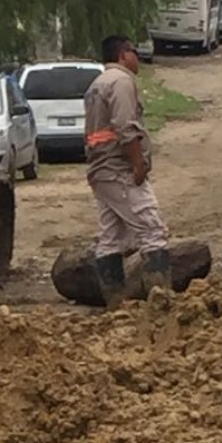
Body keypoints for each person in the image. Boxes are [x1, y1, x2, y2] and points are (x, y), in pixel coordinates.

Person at [83, 35, 170, 309]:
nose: (138, 56)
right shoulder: (121, 82)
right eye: (134, 51)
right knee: (152, 229)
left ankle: (117, 304)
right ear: (123, 55)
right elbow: (124, 127)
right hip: (119, 168)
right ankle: (162, 305)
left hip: (101, 169)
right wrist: (138, 164)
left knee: (112, 237)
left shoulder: (97, 84)